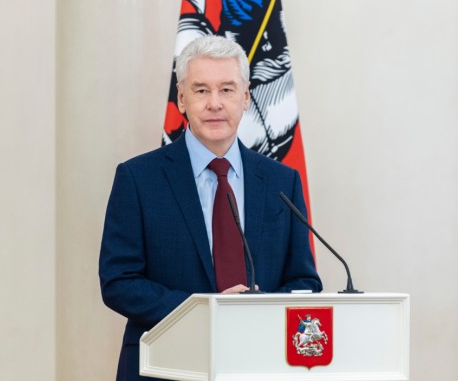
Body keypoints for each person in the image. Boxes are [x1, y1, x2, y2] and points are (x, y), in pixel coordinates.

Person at [99, 35, 322, 381]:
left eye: (227, 90)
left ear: (245, 97)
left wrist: (260, 307)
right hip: (164, 365)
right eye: (201, 90)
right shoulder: (138, 178)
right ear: (181, 98)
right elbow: (119, 281)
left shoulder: (282, 182)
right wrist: (205, 309)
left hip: (260, 363)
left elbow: (305, 281)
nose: (214, 103)